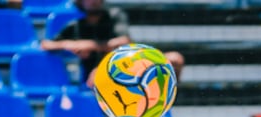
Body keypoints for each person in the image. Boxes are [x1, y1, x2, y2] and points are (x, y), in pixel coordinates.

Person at [40, 0, 185, 88]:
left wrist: (89, 45)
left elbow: (124, 41)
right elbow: (46, 44)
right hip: (97, 74)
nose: (94, 1)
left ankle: (166, 98)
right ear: (81, 2)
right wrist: (70, 45)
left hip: (129, 64)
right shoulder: (76, 26)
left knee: (175, 59)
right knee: (98, 77)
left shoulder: (114, 15)